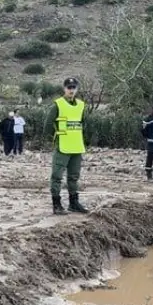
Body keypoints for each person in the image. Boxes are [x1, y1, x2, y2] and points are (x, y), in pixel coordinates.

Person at [45, 77, 90, 215]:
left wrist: (85, 141)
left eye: (73, 87)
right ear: (64, 89)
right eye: (69, 87)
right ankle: (57, 204)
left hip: (76, 146)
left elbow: (85, 125)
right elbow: (47, 126)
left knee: (73, 177)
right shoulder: (57, 105)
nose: (71, 90)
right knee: (57, 176)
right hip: (63, 145)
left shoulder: (81, 105)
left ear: (77, 89)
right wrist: (55, 139)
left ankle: (74, 203)